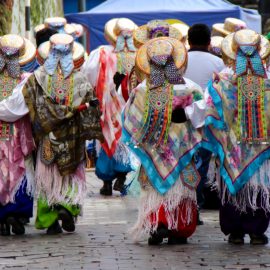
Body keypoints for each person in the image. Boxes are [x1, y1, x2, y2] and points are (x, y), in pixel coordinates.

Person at [0, 33, 103, 234]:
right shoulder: (80, 78)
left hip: (46, 136)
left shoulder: (36, 79)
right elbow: (92, 111)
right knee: (71, 173)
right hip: (72, 136)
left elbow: (23, 107)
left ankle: (48, 218)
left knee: (46, 175)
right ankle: (67, 208)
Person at [122, 37, 206, 245]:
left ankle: (158, 223)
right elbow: (203, 114)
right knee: (181, 186)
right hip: (182, 149)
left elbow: (129, 118)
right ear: (175, 60)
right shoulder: (190, 87)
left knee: (155, 186)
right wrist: (184, 114)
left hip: (155, 151)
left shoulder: (141, 89)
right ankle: (179, 228)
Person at [203, 29, 270, 245]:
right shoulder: (267, 78)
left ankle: (235, 231)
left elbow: (210, 108)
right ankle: (257, 231)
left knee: (233, 184)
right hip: (261, 145)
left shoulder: (223, 79)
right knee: (258, 185)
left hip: (231, 145)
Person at [82, 18, 137, 196]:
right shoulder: (138, 55)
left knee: (106, 139)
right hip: (130, 105)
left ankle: (106, 181)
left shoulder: (102, 53)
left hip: (107, 105)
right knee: (126, 142)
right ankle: (122, 176)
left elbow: (88, 74)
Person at [184, 24, 225, 223]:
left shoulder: (179, 61)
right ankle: (195, 206)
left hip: (181, 120)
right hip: (207, 121)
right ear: (209, 42)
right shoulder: (218, 63)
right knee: (201, 164)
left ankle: (185, 205)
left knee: (183, 162)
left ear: (188, 41)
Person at [0, 34, 36, 235]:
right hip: (17, 135)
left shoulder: (25, 80)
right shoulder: (25, 81)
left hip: (13, 136)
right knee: (19, 169)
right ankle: (14, 213)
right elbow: (17, 109)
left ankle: (4, 216)